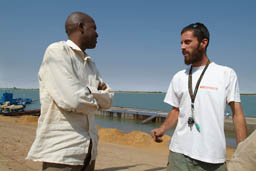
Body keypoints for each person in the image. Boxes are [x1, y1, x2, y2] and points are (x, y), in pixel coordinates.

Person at [151, 22, 247, 171]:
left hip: (213, 159)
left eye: (187, 42)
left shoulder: (226, 74)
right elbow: (176, 110)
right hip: (178, 155)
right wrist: (163, 129)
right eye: (181, 43)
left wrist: (242, 150)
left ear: (203, 43)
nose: (182, 47)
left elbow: (237, 114)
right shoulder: (179, 77)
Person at [26, 11, 114, 171]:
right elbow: (72, 99)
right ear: (81, 27)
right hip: (63, 152)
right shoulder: (57, 51)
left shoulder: (90, 64)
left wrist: (88, 93)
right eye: (94, 28)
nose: (97, 34)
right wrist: (97, 95)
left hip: (89, 152)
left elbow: (109, 99)